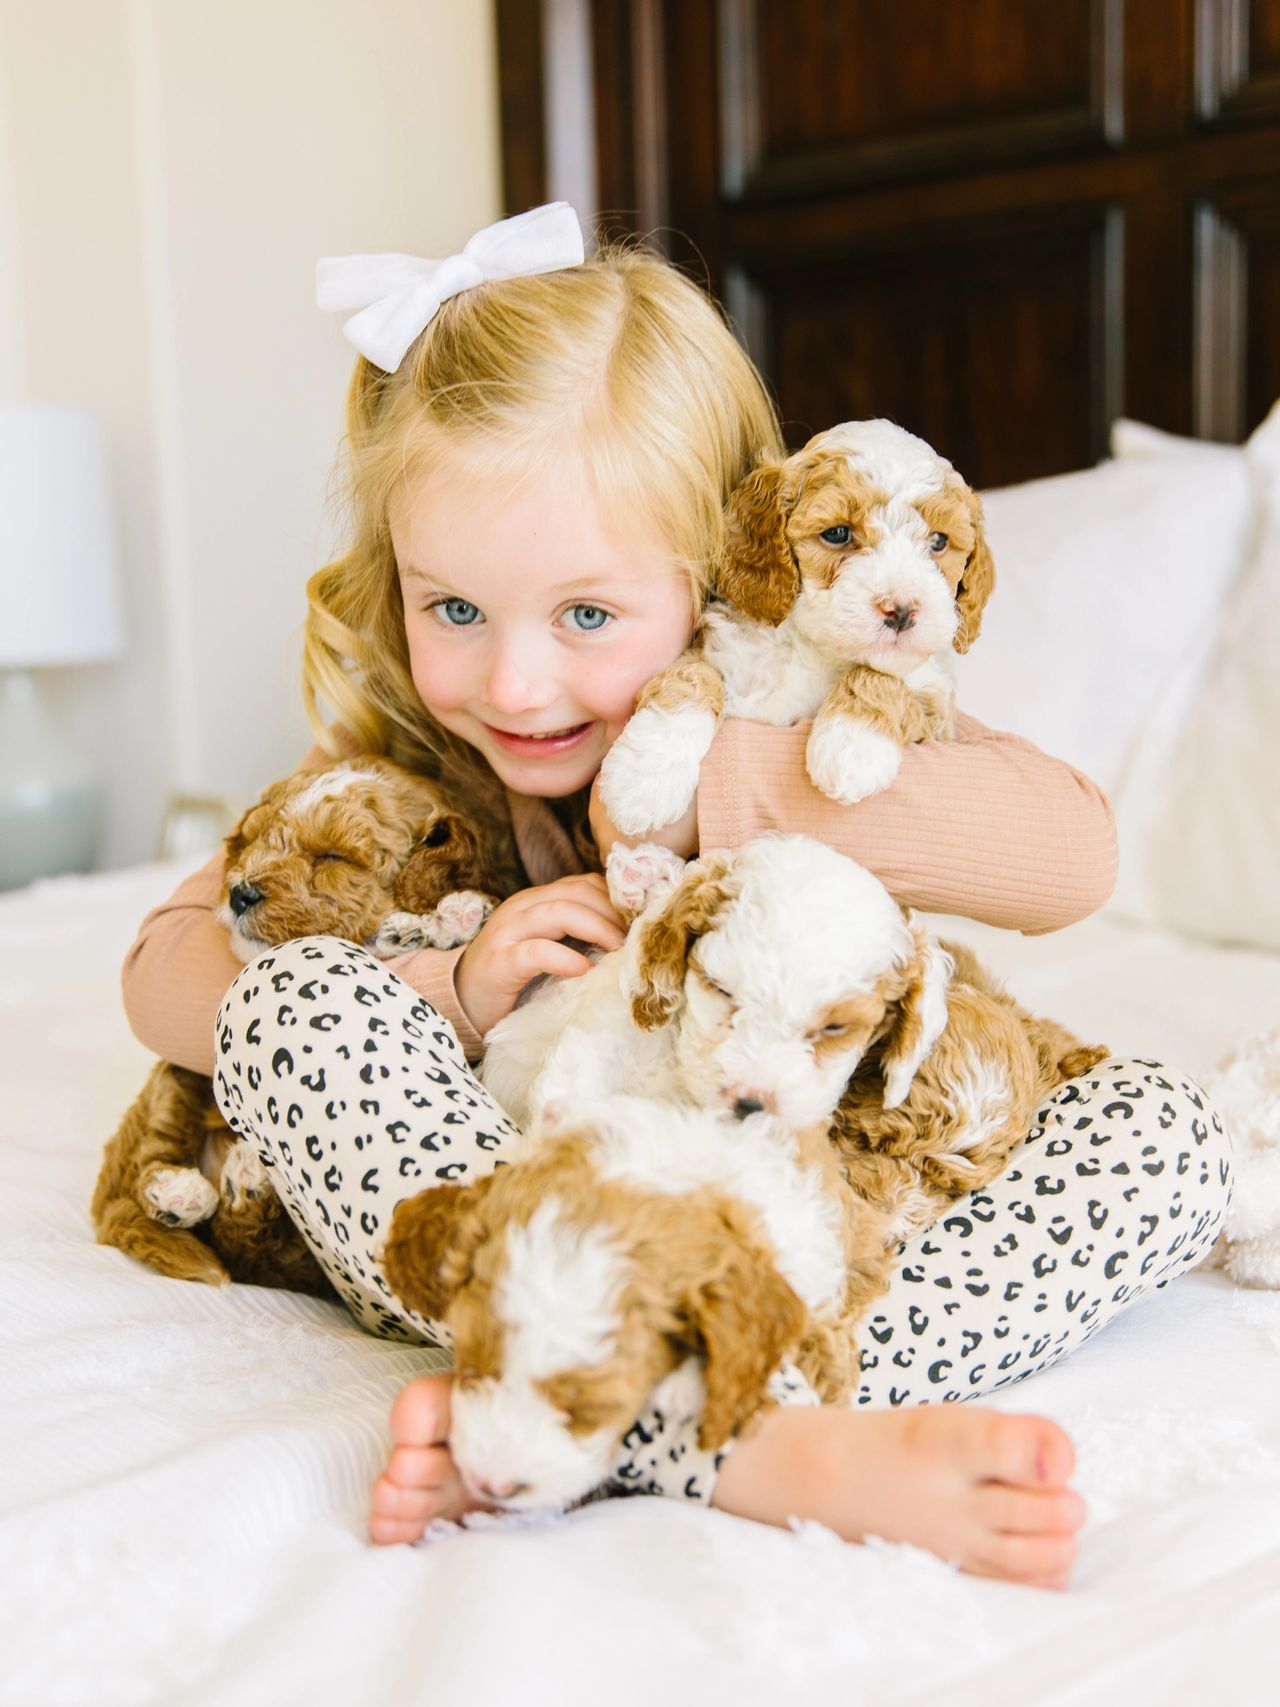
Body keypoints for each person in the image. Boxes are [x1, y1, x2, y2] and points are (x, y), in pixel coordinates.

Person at [123, 204, 1230, 1592]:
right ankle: (745, 1439)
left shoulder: (820, 708)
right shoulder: (409, 765)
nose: (514, 686)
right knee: (289, 1002)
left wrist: (707, 778)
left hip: (799, 1213)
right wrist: (450, 993)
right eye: (452, 609)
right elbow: (163, 971)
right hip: (516, 1209)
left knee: (1165, 1138)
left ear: (728, 569)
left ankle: (642, 1404)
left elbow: (1074, 858)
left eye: (586, 616)